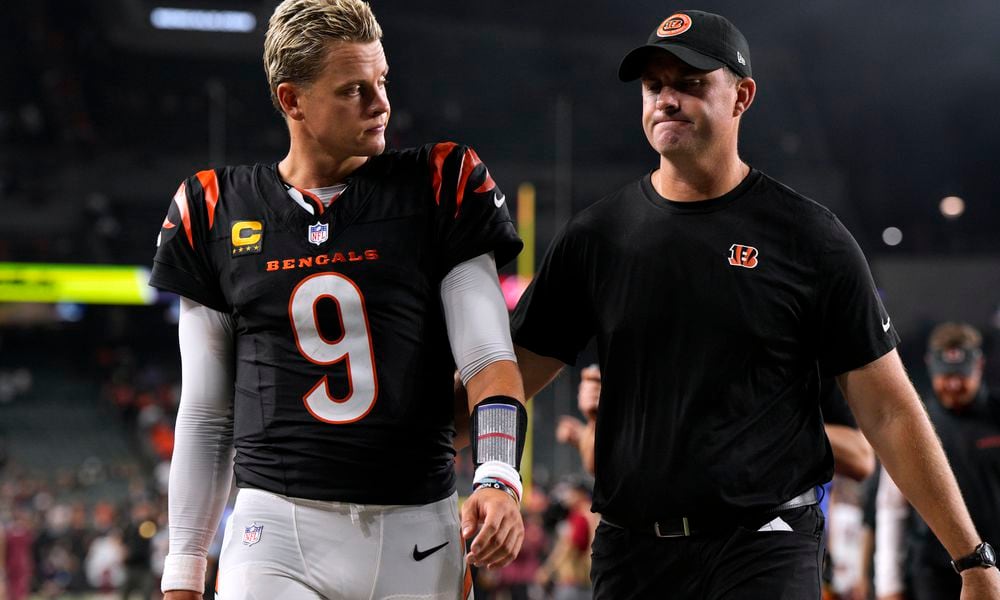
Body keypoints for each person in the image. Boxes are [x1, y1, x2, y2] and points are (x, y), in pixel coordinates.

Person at [510, 9, 1000, 599]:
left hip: (764, 544)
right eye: (653, 86)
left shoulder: (809, 238)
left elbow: (891, 411)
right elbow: (509, 377)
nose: (667, 99)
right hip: (632, 553)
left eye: (689, 84)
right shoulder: (596, 236)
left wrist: (971, 557)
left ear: (742, 96)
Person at [149, 1, 528, 598]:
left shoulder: (439, 181)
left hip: (418, 524)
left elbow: (488, 361)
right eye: (354, 89)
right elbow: (205, 413)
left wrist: (499, 477)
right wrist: (184, 570)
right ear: (292, 100)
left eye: (381, 82)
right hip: (275, 528)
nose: (381, 104)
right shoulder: (215, 205)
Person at [875, 322, 1000, 600]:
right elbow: (891, 508)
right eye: (946, 375)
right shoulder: (915, 424)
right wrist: (888, 585)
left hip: (996, 565)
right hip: (933, 570)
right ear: (931, 366)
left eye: (961, 374)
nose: (954, 384)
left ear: (978, 364)